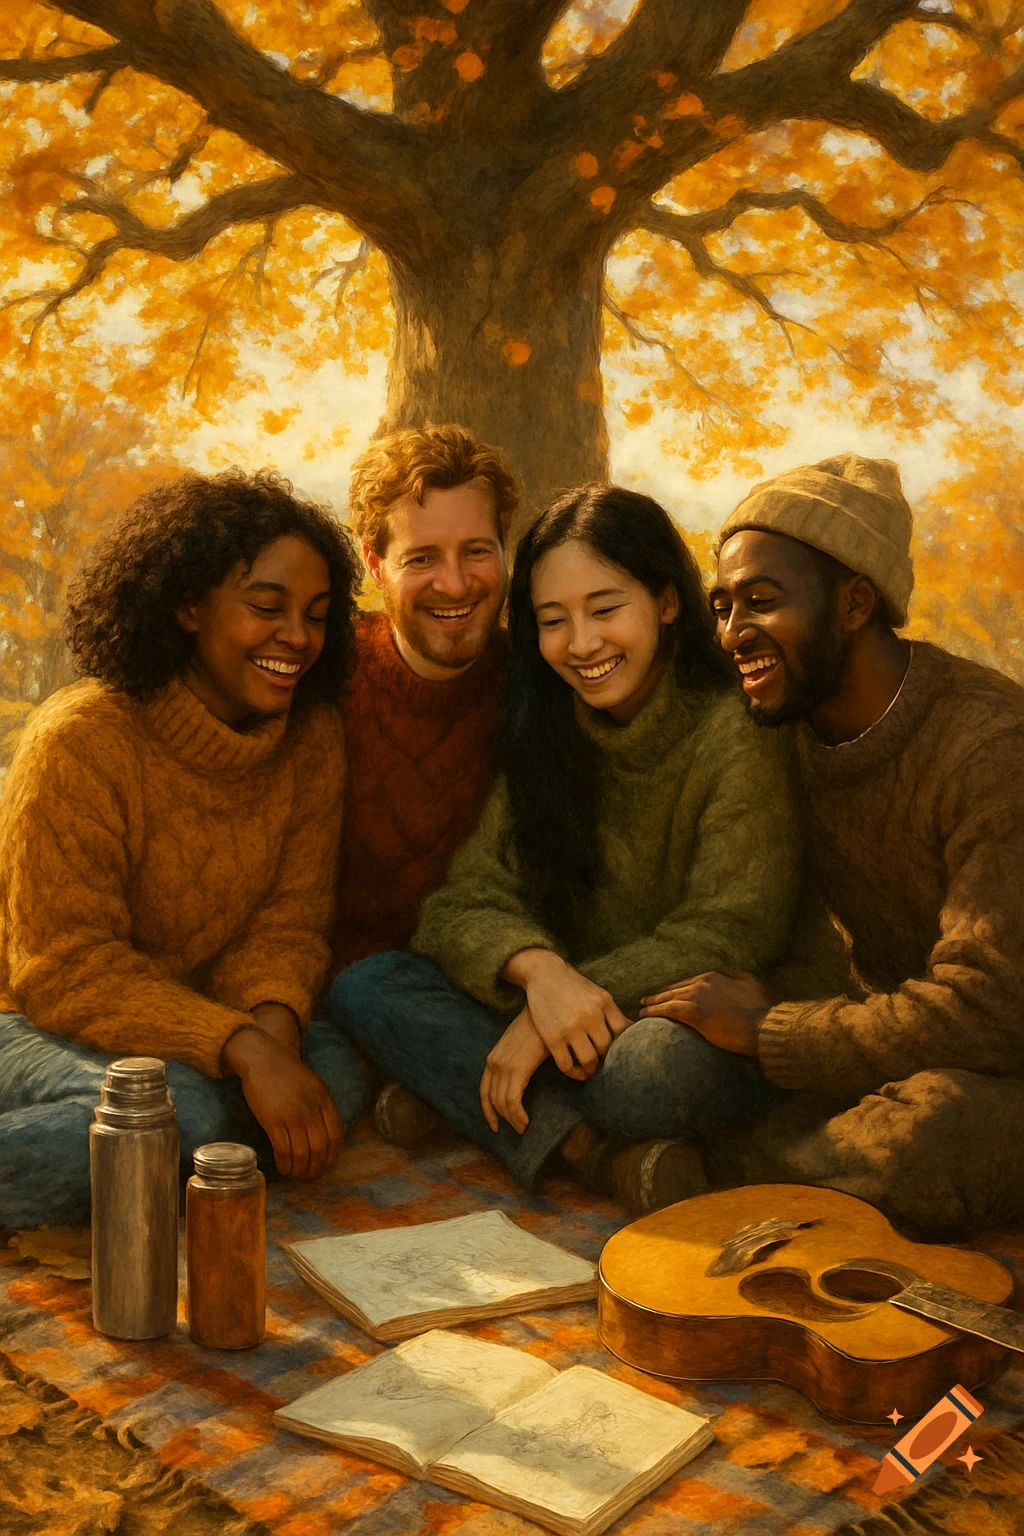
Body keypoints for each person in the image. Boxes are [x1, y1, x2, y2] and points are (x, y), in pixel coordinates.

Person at [332, 484, 805, 1214]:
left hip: (688, 1022)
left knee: (645, 1078)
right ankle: (590, 1153)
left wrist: (545, 1017)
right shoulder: (549, 726)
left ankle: (464, 1090)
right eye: (554, 621)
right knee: (370, 985)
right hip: (577, 1015)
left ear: (666, 602)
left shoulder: (733, 733)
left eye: (605, 610)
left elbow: (730, 930)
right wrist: (543, 976)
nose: (582, 645)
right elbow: (460, 903)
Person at [647, 453, 1024, 1234]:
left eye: (762, 602)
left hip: (998, 1061)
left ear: (855, 602)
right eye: (722, 607)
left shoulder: (989, 748)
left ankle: (700, 1180)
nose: (732, 634)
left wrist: (771, 1031)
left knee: (930, 1133)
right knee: (672, 1068)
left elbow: (990, 1009)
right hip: (886, 1044)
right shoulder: (782, 724)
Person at [0, 471, 370, 1229]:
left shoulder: (311, 736)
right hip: (32, 1019)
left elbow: (288, 926)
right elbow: (63, 971)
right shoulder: (81, 739)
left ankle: (177, 1149)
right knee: (176, 1116)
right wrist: (244, 1050)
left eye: (316, 615)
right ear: (188, 606)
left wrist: (273, 1042)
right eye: (266, 607)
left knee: (335, 1068)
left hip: (197, 1025)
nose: (296, 637)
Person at [333, 424, 513, 1142]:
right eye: (422, 558)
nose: (456, 583)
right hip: (353, 991)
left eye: (477, 551)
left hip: (495, 983)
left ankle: (435, 1091)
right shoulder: (326, 677)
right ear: (374, 564)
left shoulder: (540, 683)